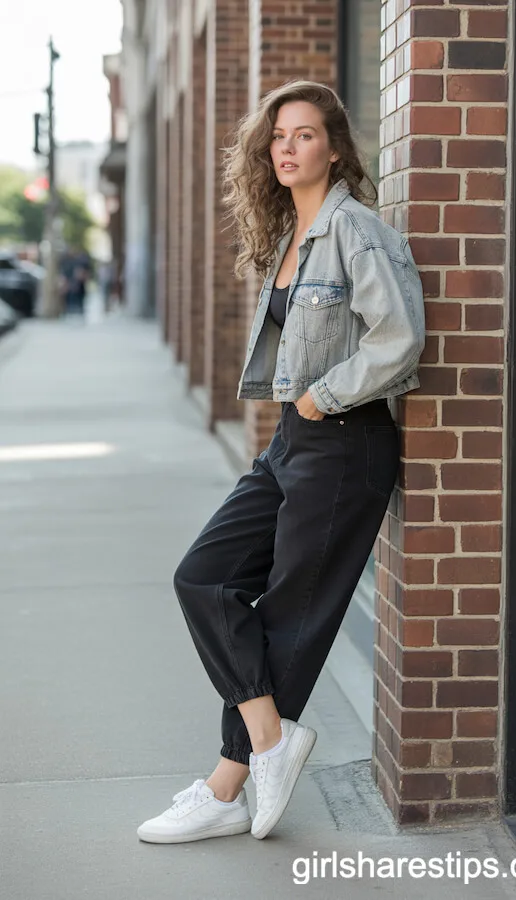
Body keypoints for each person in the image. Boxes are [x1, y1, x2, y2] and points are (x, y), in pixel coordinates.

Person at [137, 80, 425, 845]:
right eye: (278, 137)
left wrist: (320, 397)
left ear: (334, 147)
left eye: (304, 134)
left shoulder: (356, 231)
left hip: (343, 441)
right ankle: (268, 741)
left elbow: (399, 339)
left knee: (292, 618)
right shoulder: (291, 234)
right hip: (291, 445)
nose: (288, 147)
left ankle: (225, 787)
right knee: (203, 575)